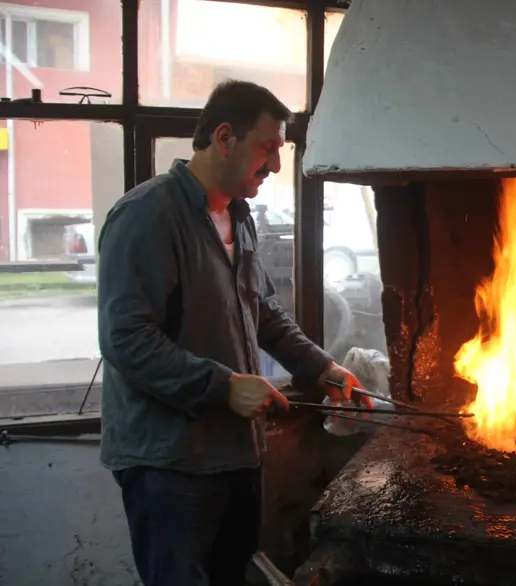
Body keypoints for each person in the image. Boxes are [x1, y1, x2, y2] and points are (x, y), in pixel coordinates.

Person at [97, 80, 372, 586]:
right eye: (267, 148)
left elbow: (264, 314)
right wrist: (224, 385)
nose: (275, 166)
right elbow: (126, 339)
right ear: (224, 137)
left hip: (237, 454)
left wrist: (323, 369)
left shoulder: (238, 216)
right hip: (171, 464)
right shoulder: (148, 216)